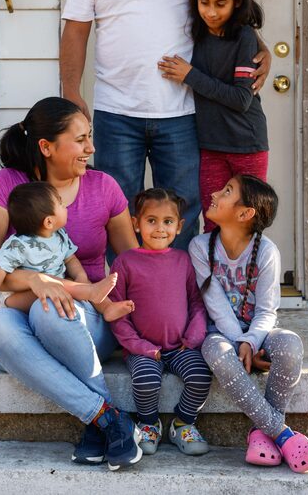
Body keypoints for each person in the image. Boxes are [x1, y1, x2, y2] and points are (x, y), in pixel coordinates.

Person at [60, 0, 271, 250]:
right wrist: (70, 91)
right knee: (118, 209)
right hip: (116, 110)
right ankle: (125, 295)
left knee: (183, 211)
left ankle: (174, 298)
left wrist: (261, 48)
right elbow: (76, 30)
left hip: (183, 112)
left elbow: (227, 6)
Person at [0, 97, 143, 472]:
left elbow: (132, 264)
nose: (91, 148)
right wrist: (36, 279)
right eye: (80, 140)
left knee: (51, 312)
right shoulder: (8, 184)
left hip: (87, 315)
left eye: (90, 138)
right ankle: (108, 419)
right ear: (47, 147)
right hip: (20, 309)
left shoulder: (104, 188)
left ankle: (100, 423)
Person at [188, 175, 308, 473]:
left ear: (244, 213)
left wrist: (252, 342)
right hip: (221, 334)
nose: (214, 193)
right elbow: (216, 305)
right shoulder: (200, 247)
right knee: (215, 352)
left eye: (226, 191)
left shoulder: (266, 252)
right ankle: (283, 434)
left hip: (258, 334)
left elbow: (267, 310)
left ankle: (260, 432)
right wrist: (241, 343)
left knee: (290, 344)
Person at [159, 0, 269, 232]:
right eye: (204, 2)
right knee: (213, 219)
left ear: (238, 2)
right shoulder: (196, 33)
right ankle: (214, 276)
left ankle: (249, 275)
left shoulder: (244, 37)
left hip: (247, 144)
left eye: (220, 4)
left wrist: (190, 76)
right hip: (209, 146)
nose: (211, 12)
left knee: (247, 220)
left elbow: (242, 99)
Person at [109, 188, 211, 457]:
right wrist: (139, 347)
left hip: (180, 346)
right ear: (136, 224)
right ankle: (149, 422)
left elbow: (197, 303)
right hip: (143, 348)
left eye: (167, 222)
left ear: (179, 227)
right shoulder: (125, 262)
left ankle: (183, 423)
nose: (159, 228)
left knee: (200, 376)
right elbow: (117, 313)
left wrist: (193, 338)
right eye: (151, 220)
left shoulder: (183, 261)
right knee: (145, 380)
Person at [0, 181, 125, 320]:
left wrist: (81, 277)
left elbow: (70, 259)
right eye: (60, 204)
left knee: (75, 285)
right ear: (48, 221)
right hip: (19, 298)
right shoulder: (18, 245)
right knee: (74, 289)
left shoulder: (60, 235)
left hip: (57, 288)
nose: (65, 206)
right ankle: (91, 292)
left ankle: (107, 308)